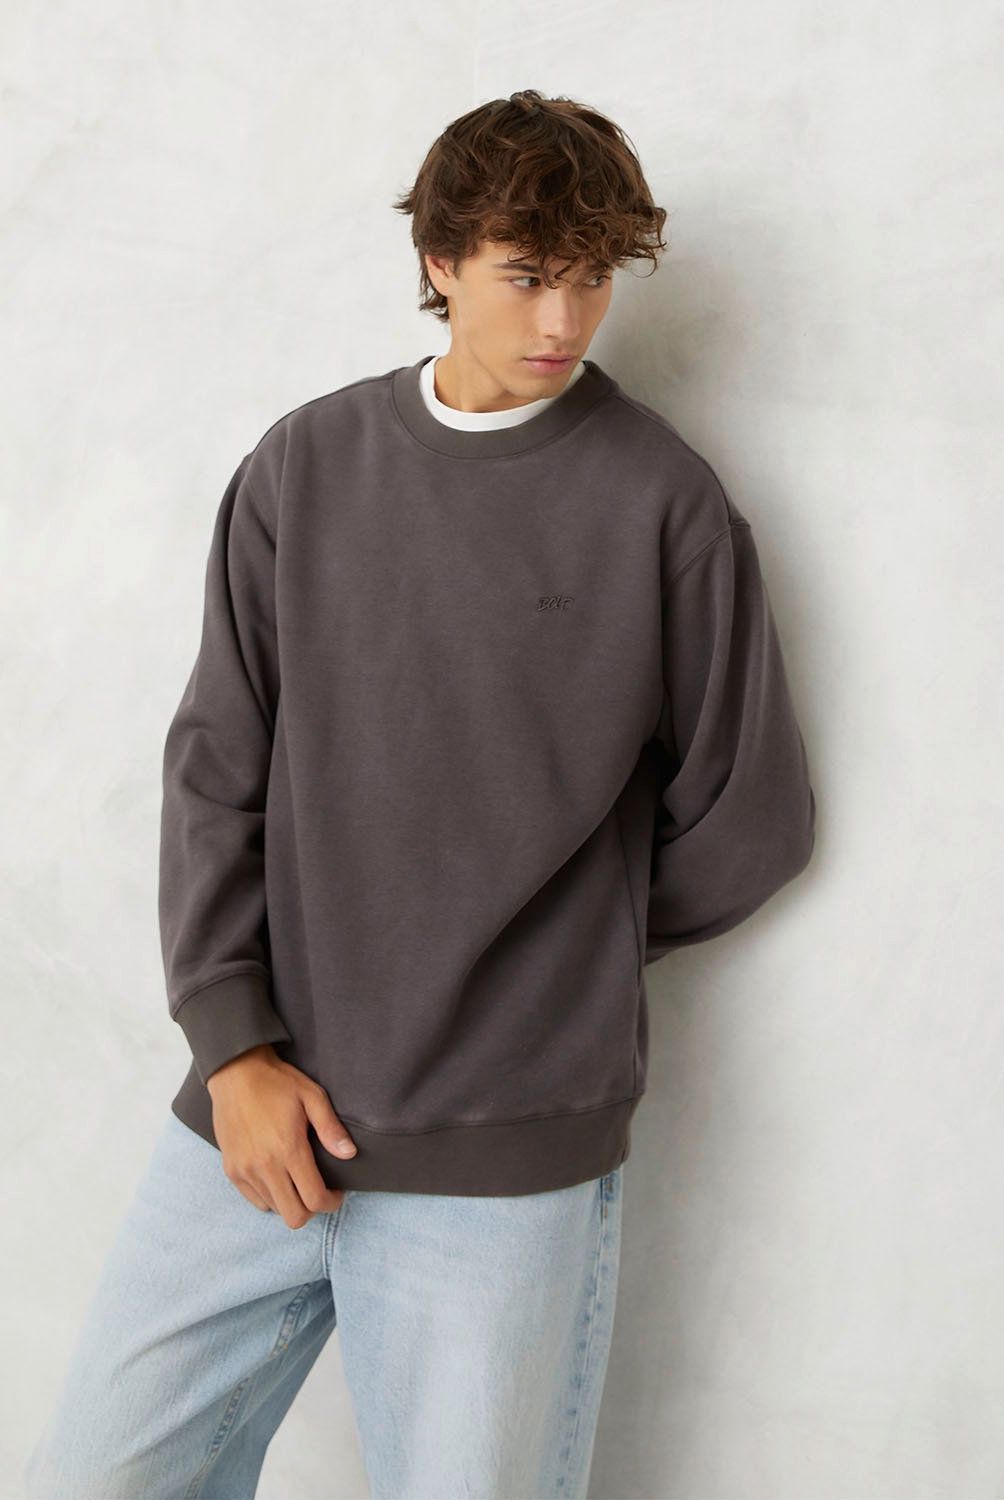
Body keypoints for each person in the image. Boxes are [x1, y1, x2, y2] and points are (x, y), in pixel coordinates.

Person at [23, 87, 816, 1499]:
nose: (564, 320)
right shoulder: (304, 468)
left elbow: (749, 819)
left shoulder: (663, 503)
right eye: (527, 274)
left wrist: (555, 957)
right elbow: (217, 770)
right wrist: (232, 1045)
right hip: (259, 1113)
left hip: (503, 1166)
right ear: (441, 262)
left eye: (593, 278)